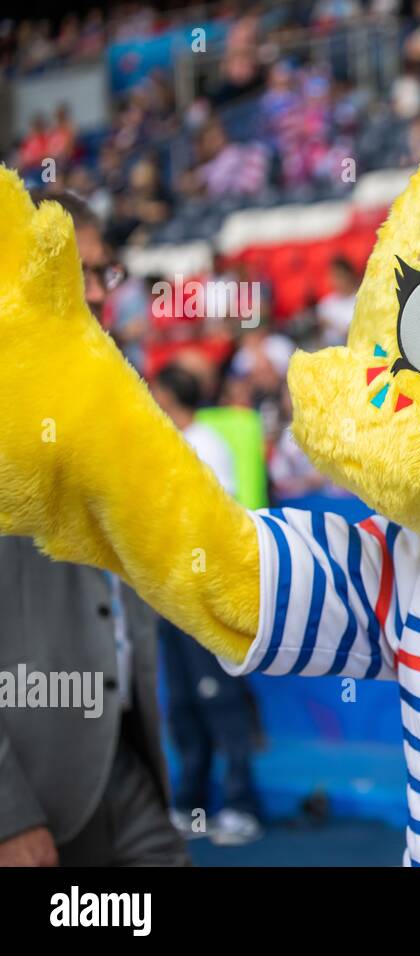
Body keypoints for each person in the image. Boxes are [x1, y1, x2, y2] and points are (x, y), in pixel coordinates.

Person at [0, 192, 186, 867]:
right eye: (75, 270)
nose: (97, 294)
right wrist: (6, 810)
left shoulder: (114, 397)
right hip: (31, 782)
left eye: (101, 272)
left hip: (126, 751)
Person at [150, 363, 264, 847]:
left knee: (220, 697)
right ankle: (190, 806)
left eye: (155, 391)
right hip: (165, 592)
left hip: (202, 593)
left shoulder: (207, 445)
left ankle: (241, 807)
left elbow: (218, 518)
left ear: (171, 397)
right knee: (181, 701)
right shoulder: (159, 446)